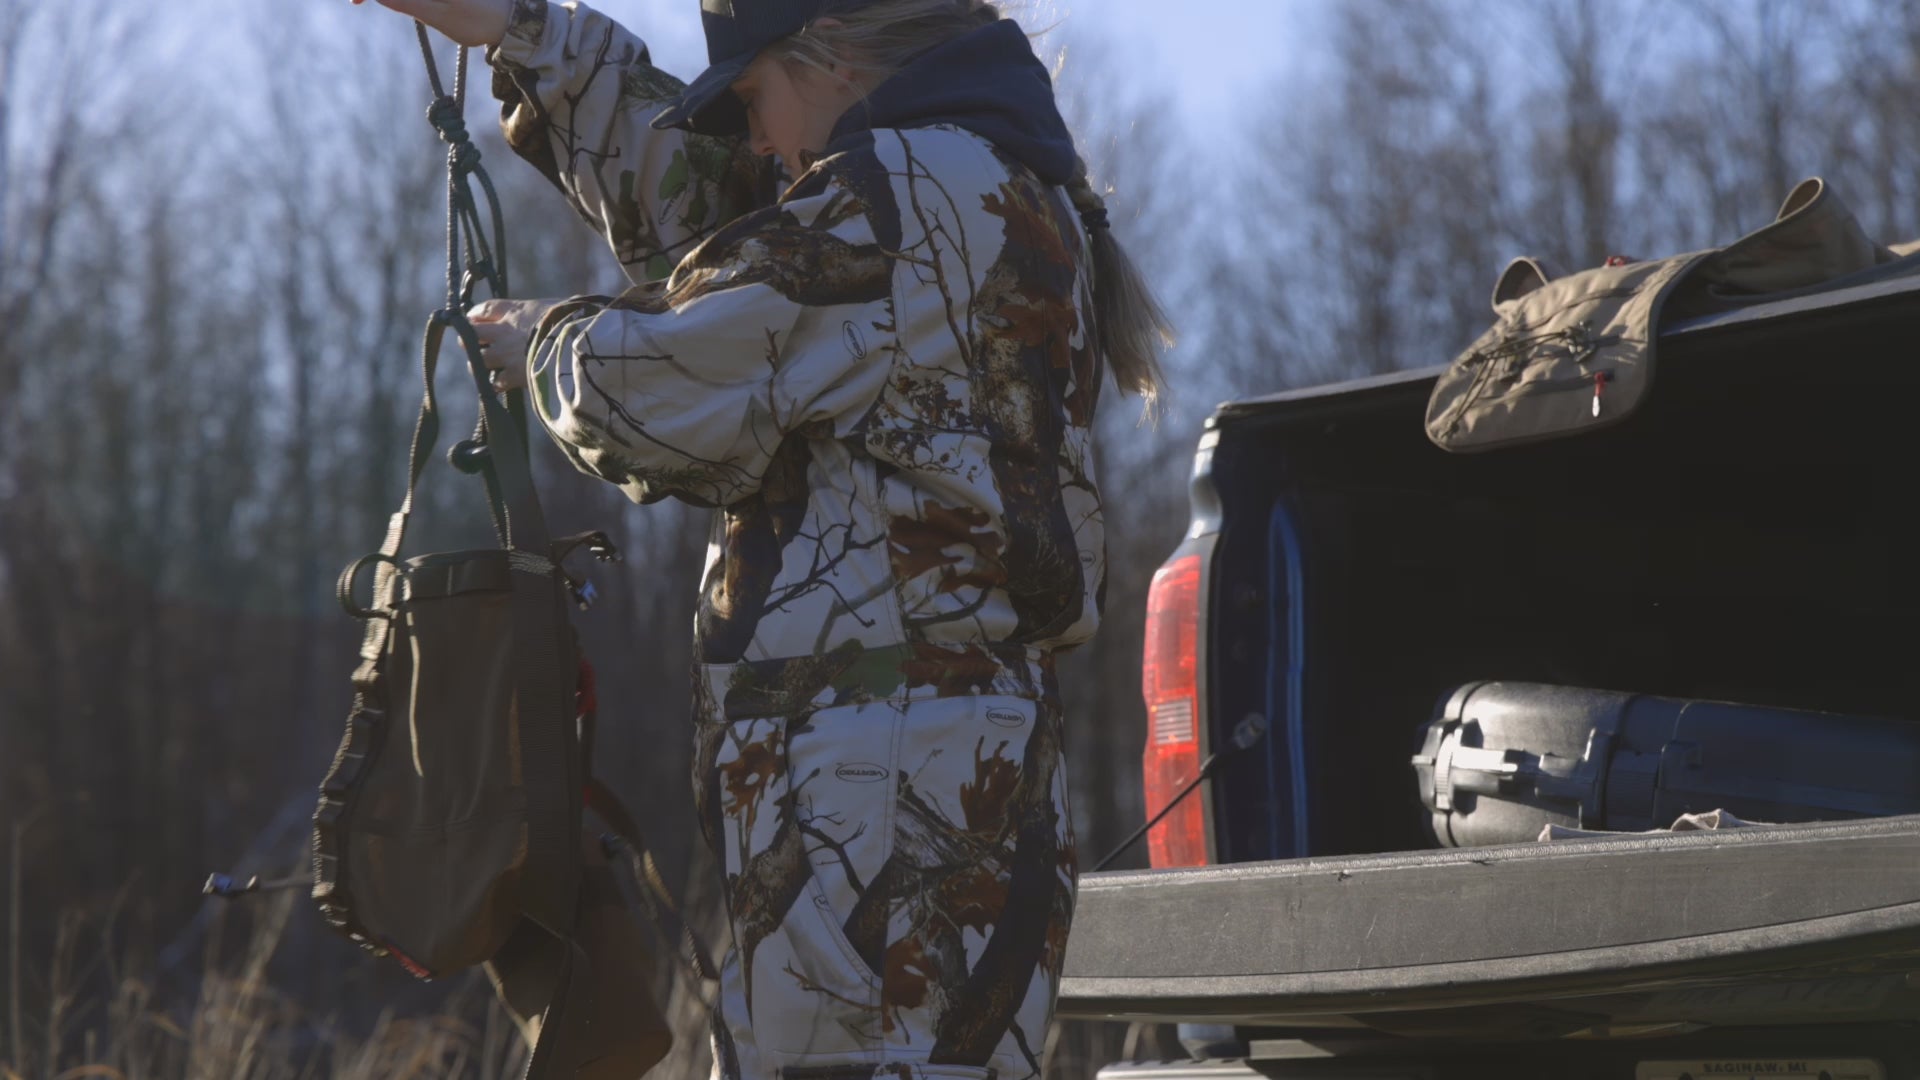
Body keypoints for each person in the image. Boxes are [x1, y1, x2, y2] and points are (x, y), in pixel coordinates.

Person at [355, 1, 1172, 1077]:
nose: (759, 144)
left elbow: (675, 377)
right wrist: (519, 29)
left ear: (828, 53)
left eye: (753, 101)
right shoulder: (964, 180)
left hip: (884, 807)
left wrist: (538, 344)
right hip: (916, 782)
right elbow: (716, 223)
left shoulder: (896, 196)